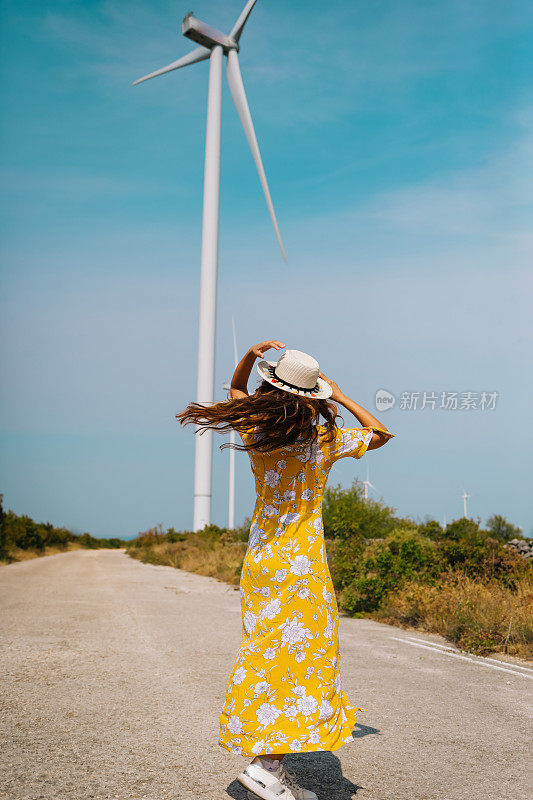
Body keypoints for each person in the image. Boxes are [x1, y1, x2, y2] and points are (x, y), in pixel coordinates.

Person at [177, 340, 395, 800]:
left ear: (271, 387)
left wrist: (250, 356)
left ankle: (268, 761)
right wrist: (339, 395)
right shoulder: (324, 440)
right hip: (304, 565)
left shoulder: (257, 429)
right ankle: (266, 765)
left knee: (266, 652)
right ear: (311, 397)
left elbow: (236, 387)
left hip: (263, 561)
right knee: (304, 659)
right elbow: (380, 433)